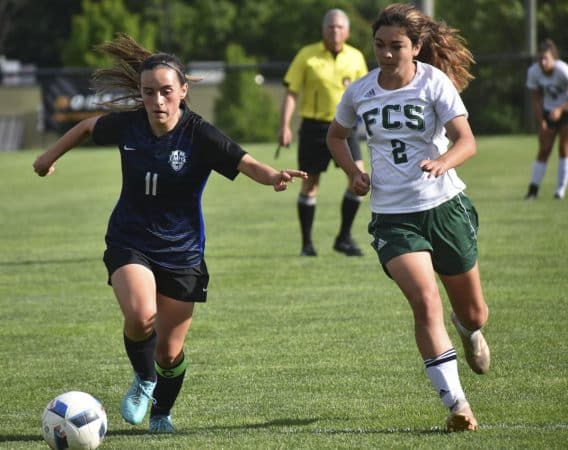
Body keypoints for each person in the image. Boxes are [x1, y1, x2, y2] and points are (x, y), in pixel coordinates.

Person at [33, 34, 306, 434]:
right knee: (142, 316)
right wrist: (46, 158)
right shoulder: (129, 126)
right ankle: (144, 379)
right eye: (148, 92)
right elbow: (89, 127)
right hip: (130, 239)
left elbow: (244, 161)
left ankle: (161, 413)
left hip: (182, 252)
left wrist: (274, 177)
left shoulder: (200, 134)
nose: (157, 100)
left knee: (169, 351)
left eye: (165, 91)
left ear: (182, 91)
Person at [326, 3, 490, 431]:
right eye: (379, 45)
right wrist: (353, 170)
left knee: (474, 314)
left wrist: (443, 162)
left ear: (416, 47)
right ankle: (457, 404)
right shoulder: (360, 91)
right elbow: (336, 135)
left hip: (445, 209)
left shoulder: (434, 83)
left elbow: (466, 141)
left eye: (396, 46)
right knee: (425, 301)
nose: (386, 54)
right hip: (393, 217)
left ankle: (469, 330)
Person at [278, 8, 368, 257]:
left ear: (347, 31)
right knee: (310, 184)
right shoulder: (307, 56)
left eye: (340, 27)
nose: (335, 31)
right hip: (314, 128)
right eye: (331, 26)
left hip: (345, 128)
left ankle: (344, 237)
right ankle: (307, 245)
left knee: (360, 179)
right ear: (323, 30)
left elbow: (367, 95)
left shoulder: (356, 58)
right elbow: (292, 92)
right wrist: (284, 125)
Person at [524, 38, 568, 200]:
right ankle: (533, 191)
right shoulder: (534, 72)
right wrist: (541, 121)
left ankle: (560, 190)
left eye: (546, 58)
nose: (543, 62)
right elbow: (535, 99)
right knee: (544, 149)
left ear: (553, 58)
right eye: (540, 58)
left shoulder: (563, 70)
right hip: (549, 112)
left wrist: (560, 108)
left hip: (565, 111)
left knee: (564, 147)